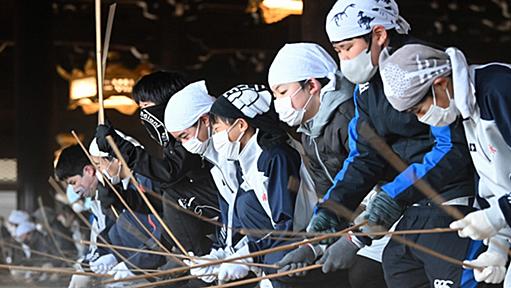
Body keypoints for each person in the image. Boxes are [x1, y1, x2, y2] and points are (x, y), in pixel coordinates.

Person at [305, 1, 483, 287]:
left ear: (378, 35)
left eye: (347, 48)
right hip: (411, 207)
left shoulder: (417, 67)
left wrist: (391, 196)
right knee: (397, 269)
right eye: (337, 51)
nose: (344, 59)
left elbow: (451, 148)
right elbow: (365, 154)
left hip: (450, 202)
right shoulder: (366, 89)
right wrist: (332, 209)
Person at [378, 43, 511, 285]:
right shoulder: (469, 113)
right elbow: (499, 187)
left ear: (439, 84)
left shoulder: (499, 90)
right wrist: (498, 248)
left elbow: (502, 205)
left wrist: (497, 217)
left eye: (419, 110)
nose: (422, 119)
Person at [267, 42, 387, 288]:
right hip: (350, 222)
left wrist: (352, 238)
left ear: (312, 85)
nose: (277, 102)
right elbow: (326, 192)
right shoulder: (309, 131)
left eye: (282, 92)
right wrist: (313, 244)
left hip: (384, 218)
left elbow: (378, 180)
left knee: (362, 275)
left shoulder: (348, 117)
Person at [95, 71, 220, 258]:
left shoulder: (194, 134)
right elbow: (159, 201)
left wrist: (121, 148)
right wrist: (119, 196)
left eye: (146, 107)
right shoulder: (171, 144)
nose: (143, 115)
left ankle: (200, 259)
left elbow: (169, 174)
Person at [208, 84, 318, 287]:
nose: (215, 138)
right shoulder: (246, 158)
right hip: (278, 241)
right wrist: (226, 255)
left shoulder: (275, 156)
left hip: (305, 236)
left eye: (217, 130)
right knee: (245, 203)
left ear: (241, 125)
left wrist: (250, 255)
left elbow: (287, 224)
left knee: (277, 268)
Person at [164, 80, 243, 285]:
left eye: (184, 136)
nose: (184, 145)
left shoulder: (239, 154)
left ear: (205, 121)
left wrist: (241, 255)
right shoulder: (215, 163)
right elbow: (229, 213)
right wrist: (219, 252)